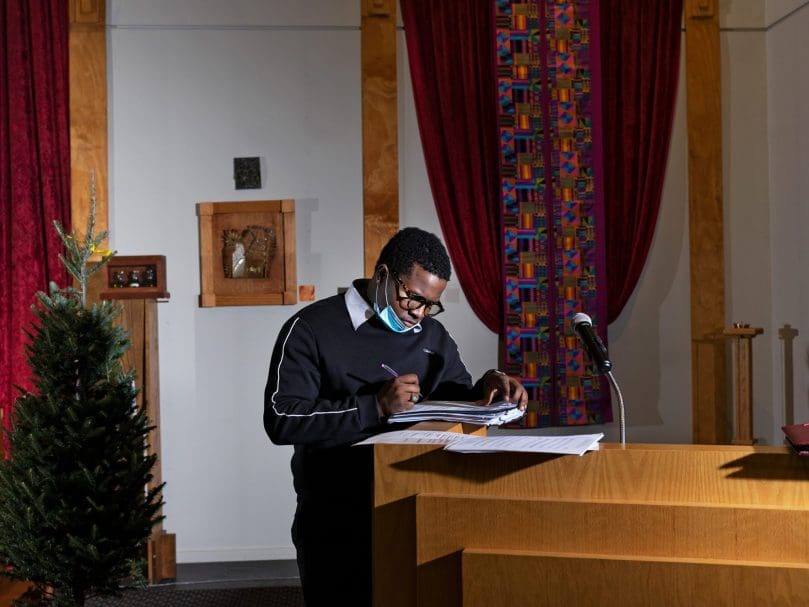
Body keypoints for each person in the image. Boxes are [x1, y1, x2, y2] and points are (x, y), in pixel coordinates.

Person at [263, 227, 527, 606]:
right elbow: (282, 418)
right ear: (383, 275)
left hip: (415, 510)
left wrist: (491, 386)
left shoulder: (432, 337)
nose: (418, 314)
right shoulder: (310, 328)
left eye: (430, 305)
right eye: (412, 298)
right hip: (334, 517)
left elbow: (455, 400)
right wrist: (375, 406)